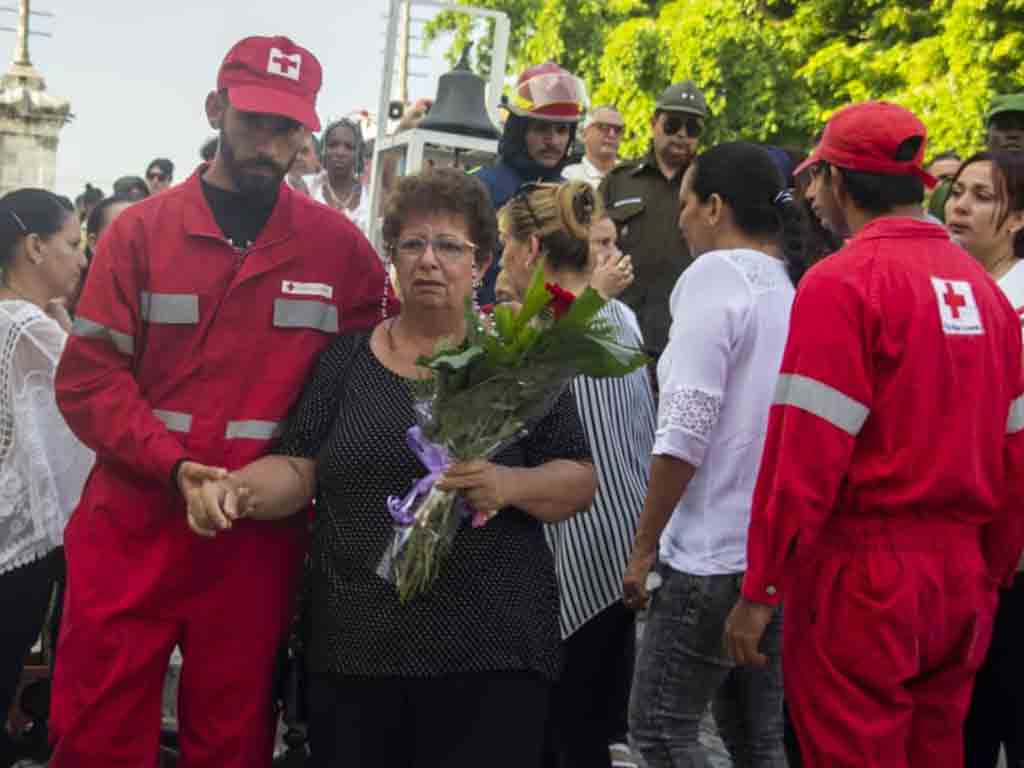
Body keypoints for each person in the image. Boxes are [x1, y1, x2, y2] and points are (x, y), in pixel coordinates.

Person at [48, 35, 390, 768]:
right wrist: (176, 468)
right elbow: (87, 379)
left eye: (286, 127)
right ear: (216, 108)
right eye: (254, 120)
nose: (269, 142)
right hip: (133, 524)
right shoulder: (139, 235)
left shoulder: (340, 252)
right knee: (97, 736)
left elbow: (384, 369)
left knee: (231, 742)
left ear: (307, 131)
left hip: (257, 540)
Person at [184, 167, 596, 768]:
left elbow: (579, 480)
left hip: (492, 653)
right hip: (356, 650)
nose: (430, 260)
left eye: (450, 246)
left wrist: (505, 483)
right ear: (393, 259)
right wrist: (237, 491)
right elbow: (299, 467)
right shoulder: (346, 360)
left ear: (479, 263)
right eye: (413, 244)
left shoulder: (518, 359)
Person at [724, 101, 1024, 768]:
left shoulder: (841, 283)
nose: (809, 194)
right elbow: (1017, 454)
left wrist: (761, 590)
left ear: (838, 180)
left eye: (815, 178)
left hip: (862, 580)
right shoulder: (985, 291)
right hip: (961, 580)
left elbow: (802, 459)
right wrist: (990, 570)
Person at [618, 141, 801, 768]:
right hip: (767, 552)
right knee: (756, 741)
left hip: (706, 551)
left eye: (689, 204)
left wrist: (644, 546)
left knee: (661, 734)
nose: (681, 218)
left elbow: (687, 425)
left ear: (715, 207)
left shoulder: (716, 275)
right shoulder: (787, 283)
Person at [496, 180, 654, 768]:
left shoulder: (541, 332)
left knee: (555, 739)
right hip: (619, 554)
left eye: (505, 243)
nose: (500, 259)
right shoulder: (620, 317)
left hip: (563, 566)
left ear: (530, 249)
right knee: (589, 735)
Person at [0, 189, 93, 768]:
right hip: (20, 539)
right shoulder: (27, 326)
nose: (82, 259)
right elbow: (95, 398)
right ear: (34, 247)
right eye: (72, 244)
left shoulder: (26, 321)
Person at [944, 150, 1024, 768]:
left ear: (1017, 217)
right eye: (956, 191)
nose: (960, 205)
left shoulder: (1014, 309)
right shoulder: (963, 293)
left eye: (982, 196)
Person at [600, 80, 708, 357]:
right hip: (620, 335)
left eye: (693, 128)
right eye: (672, 124)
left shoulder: (710, 188)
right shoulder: (620, 182)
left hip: (684, 340)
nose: (682, 135)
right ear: (654, 123)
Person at [472, 62, 587, 303]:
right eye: (541, 128)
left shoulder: (572, 197)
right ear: (518, 131)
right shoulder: (481, 188)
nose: (553, 140)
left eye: (562, 130)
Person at [310, 118, 371, 233]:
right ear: (323, 150)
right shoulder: (309, 189)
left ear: (358, 153)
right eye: (333, 145)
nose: (340, 152)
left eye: (349, 147)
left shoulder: (370, 193)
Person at [563, 105, 625, 189]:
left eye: (618, 129)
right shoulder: (568, 177)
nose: (612, 134)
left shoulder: (632, 175)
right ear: (583, 134)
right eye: (604, 127)